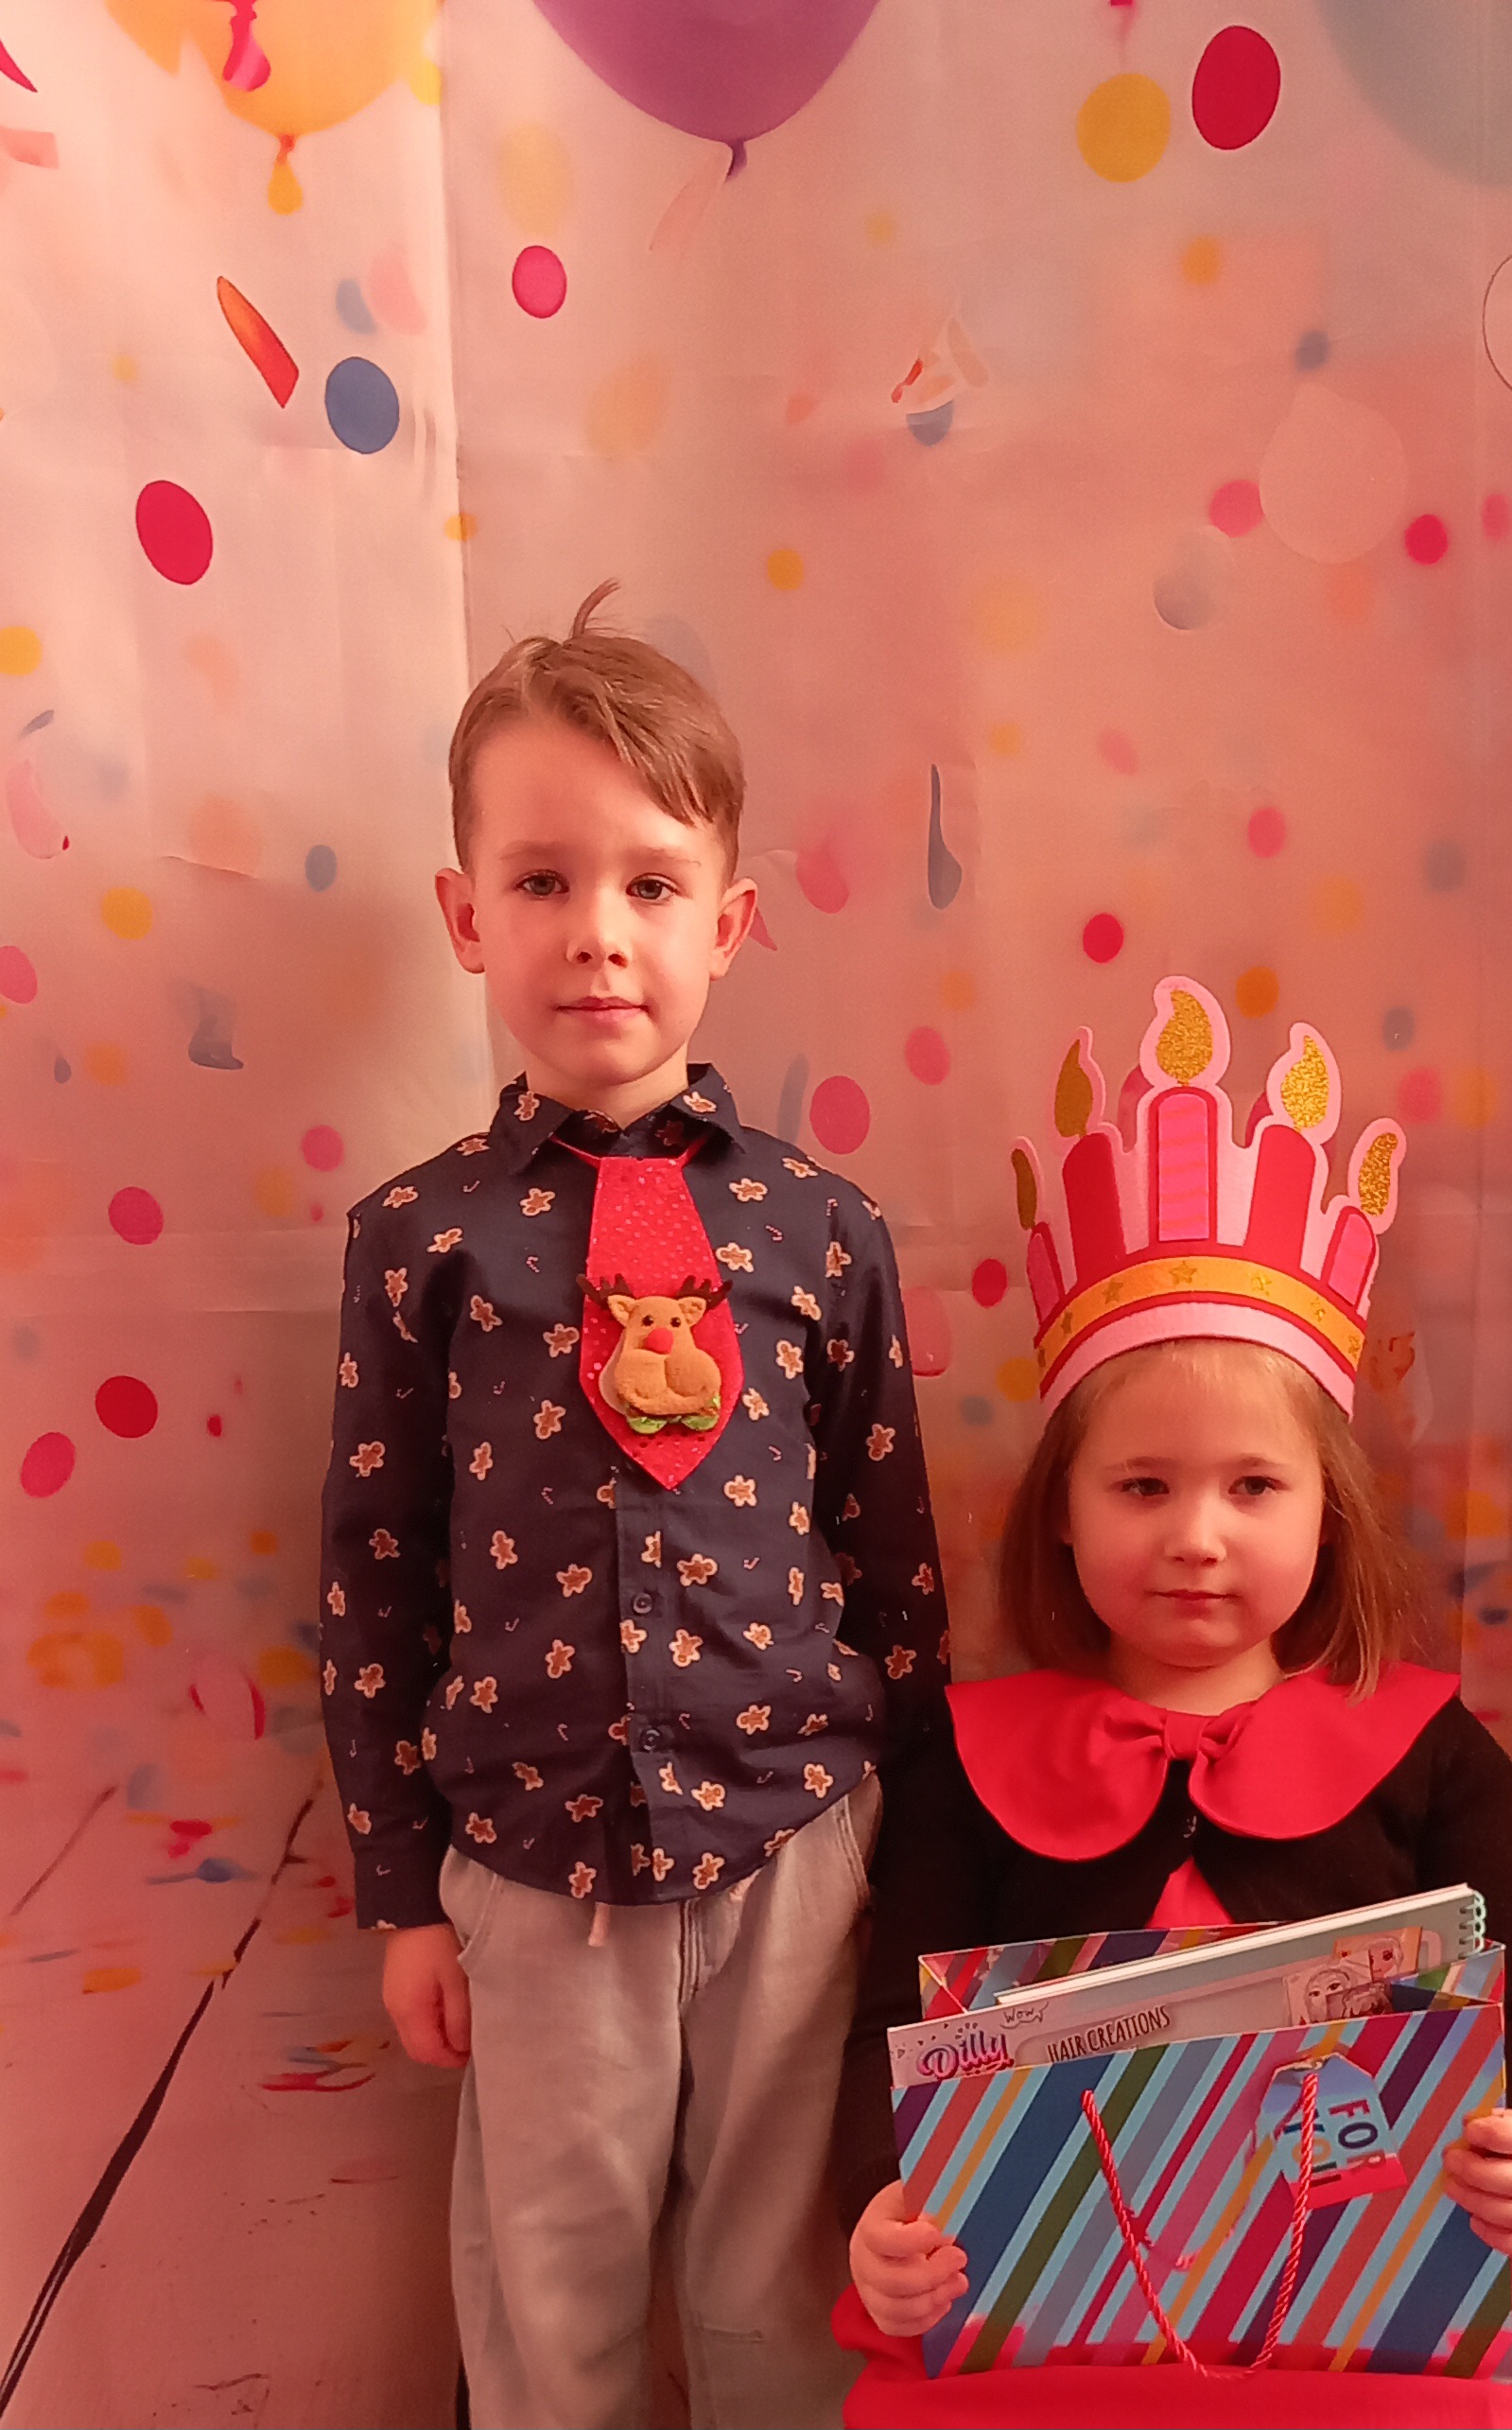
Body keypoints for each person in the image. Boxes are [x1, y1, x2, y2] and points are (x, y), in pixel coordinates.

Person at [319, 586, 947, 2430]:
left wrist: (914, 1862)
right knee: (552, 2296)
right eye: (543, 881)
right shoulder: (417, 1239)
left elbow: (892, 1546)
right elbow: (371, 1578)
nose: (599, 932)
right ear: (467, 916)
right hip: (531, 1869)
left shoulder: (825, 1228)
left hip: (797, 1853)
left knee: (780, 2290)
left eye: (652, 883)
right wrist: (402, 1894)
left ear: (727, 923)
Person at [831, 975, 1512, 2429]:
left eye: (1254, 1485)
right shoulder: (962, 1759)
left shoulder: (1438, 1754)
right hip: (1052, 2332)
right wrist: (878, 2202)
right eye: (1143, 1484)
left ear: (1330, 1511)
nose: (1197, 1534)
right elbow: (892, 2033)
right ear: (1063, 1510)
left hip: (1375, 2329)